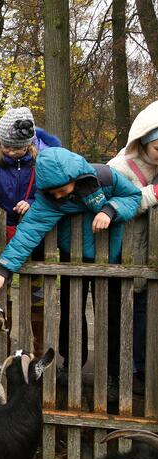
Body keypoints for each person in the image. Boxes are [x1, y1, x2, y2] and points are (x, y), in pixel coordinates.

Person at [0, 147, 142, 403]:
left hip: (113, 260)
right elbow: (29, 231)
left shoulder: (104, 177)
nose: (57, 196)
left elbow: (133, 196)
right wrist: (4, 271)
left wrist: (110, 210)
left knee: (114, 318)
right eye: (51, 193)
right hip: (72, 260)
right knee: (71, 316)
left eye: (61, 189)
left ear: (74, 176)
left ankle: (114, 374)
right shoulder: (51, 199)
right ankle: (71, 364)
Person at [0, 107, 61, 354]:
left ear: (29, 145)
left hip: (37, 236)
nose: (12, 152)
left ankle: (37, 351)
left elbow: (54, 191)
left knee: (36, 294)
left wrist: (32, 202)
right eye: (7, 147)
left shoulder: (46, 158)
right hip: (2, 234)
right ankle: (4, 349)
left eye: (18, 148)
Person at [107, 99, 158, 393]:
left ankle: (140, 369)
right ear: (142, 141)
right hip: (121, 255)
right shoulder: (120, 167)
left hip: (149, 257)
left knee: (144, 317)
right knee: (118, 319)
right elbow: (115, 204)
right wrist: (152, 194)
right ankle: (116, 374)